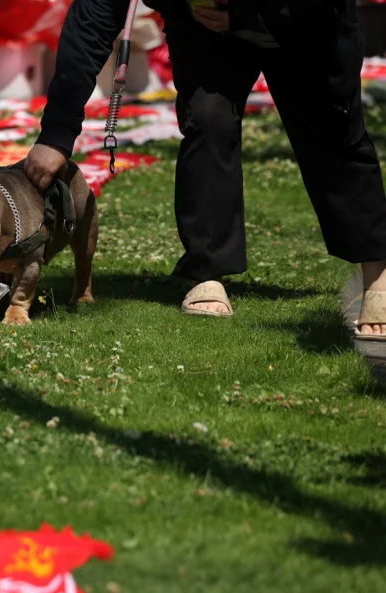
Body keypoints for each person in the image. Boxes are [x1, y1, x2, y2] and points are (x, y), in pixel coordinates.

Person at [23, 0, 386, 340]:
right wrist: (57, 133)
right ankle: (207, 271)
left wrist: (248, 16)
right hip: (204, 23)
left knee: (334, 132)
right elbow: (94, 17)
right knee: (208, 122)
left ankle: (378, 271)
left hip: (306, 20)